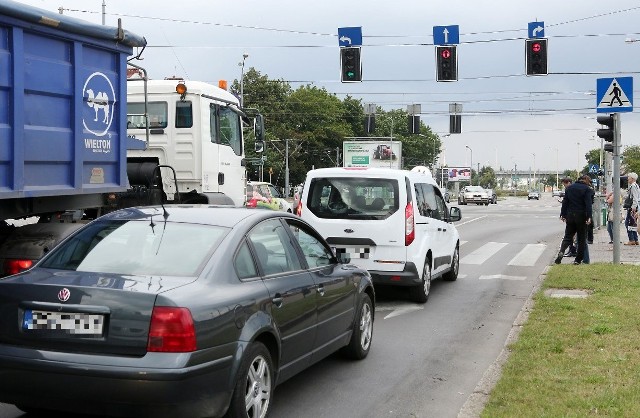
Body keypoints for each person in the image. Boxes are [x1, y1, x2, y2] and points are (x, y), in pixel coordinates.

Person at [555, 175, 593, 265]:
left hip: (570, 215)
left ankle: (562, 251)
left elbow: (565, 202)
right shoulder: (587, 189)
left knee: (568, 236)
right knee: (581, 238)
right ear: (585, 180)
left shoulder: (569, 188)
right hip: (581, 216)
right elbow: (588, 204)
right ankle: (577, 260)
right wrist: (589, 216)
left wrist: (563, 214)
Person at [623, 172, 640, 245]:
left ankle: (631, 239)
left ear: (632, 178)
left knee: (628, 222)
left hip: (632, 207)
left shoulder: (633, 186)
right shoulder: (636, 185)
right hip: (635, 206)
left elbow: (635, 197)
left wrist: (633, 207)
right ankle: (635, 239)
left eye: (629, 177)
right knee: (633, 223)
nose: (628, 178)